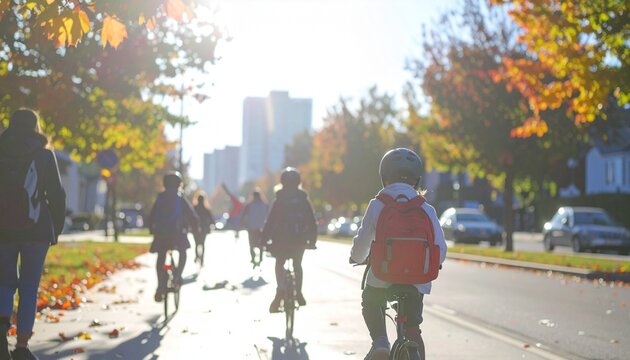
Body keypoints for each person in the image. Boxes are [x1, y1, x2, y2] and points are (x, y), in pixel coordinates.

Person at [349, 148, 447, 360]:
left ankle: (380, 343)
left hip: (383, 275)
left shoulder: (378, 205)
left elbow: (362, 245)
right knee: (413, 328)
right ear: (417, 179)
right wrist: (434, 262)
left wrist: (356, 258)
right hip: (416, 280)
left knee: (371, 300)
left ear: (384, 176)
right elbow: (441, 248)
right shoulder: (426, 209)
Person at [0, 109, 66, 360]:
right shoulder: (44, 155)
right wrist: (55, 230)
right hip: (37, 229)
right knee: (29, 287)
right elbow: (57, 195)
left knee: (4, 283)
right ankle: (22, 347)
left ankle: (1, 329)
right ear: (36, 127)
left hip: (2, 229)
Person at [262, 167, 317, 313]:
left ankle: (280, 288)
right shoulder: (304, 199)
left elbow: (270, 222)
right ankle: (298, 292)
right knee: (297, 265)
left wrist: (264, 241)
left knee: (279, 264)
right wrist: (312, 241)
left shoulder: (278, 200)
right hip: (299, 240)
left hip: (280, 240)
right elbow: (311, 221)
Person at [148, 171, 199, 302]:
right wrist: (195, 229)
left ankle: (160, 286)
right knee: (183, 252)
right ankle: (177, 275)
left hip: (162, 234)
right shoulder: (180, 198)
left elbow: (152, 215)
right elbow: (191, 215)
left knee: (161, 258)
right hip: (178, 235)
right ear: (179, 184)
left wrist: (151, 230)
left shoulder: (160, 197)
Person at [240, 189, 269, 267]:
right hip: (261, 227)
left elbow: (244, 216)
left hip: (251, 227)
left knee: (252, 244)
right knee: (261, 244)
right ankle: (260, 258)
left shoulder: (249, 205)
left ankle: (253, 258)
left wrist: (242, 224)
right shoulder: (265, 205)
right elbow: (269, 216)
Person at [191, 192, 215, 265]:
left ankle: (197, 256)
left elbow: (190, 218)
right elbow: (211, 219)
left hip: (195, 229)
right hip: (204, 228)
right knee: (202, 244)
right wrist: (212, 225)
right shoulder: (206, 209)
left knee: (197, 244)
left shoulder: (194, 208)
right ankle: (201, 259)